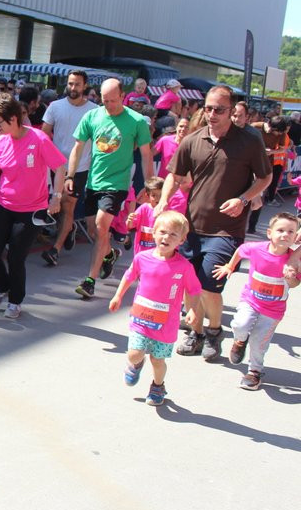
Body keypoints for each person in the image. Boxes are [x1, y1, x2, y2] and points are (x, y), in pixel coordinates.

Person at [157, 85, 273, 361]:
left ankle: (213, 331)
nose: (211, 114)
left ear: (232, 111)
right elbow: (175, 174)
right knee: (190, 285)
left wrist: (243, 200)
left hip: (227, 230)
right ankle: (195, 333)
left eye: (219, 109)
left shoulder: (248, 141)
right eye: (207, 108)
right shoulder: (193, 140)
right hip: (193, 226)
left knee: (209, 284)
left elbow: (264, 178)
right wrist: (163, 201)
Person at [0, 93, 67, 320]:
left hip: (31, 209)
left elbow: (60, 166)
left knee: (15, 257)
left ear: (12, 118)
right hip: (4, 205)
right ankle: (2, 287)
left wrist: (56, 196)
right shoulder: (0, 142)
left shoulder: (38, 139)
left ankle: (15, 301)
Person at [67, 78, 153, 299]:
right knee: (96, 231)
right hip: (93, 181)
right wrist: (70, 175)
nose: (109, 105)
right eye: (105, 101)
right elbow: (77, 147)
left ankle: (89, 281)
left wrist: (150, 186)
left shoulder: (136, 121)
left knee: (100, 224)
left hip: (117, 184)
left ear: (123, 97)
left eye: (113, 101)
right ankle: (109, 254)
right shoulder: (92, 116)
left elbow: (146, 155)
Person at [108, 211, 202, 406]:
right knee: (134, 353)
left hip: (166, 323)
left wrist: (192, 310)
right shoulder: (142, 258)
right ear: (153, 233)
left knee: (157, 360)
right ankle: (136, 363)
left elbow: (193, 290)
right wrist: (118, 296)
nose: (166, 237)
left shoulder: (184, 267)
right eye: (162, 232)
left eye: (173, 235)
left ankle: (158, 386)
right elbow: (129, 276)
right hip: (140, 318)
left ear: (182, 240)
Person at [211, 212, 300, 390]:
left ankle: (254, 372)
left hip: (273, 310)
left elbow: (295, 283)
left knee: (260, 341)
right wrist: (230, 265)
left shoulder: (294, 260)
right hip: (250, 300)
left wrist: (290, 277)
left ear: (296, 236)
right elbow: (240, 250)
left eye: (290, 232)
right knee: (240, 325)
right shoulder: (257, 248)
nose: (285, 234)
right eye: (280, 230)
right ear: (269, 233)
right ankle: (239, 341)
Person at [41, 70, 98, 266]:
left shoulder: (94, 111)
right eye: (71, 84)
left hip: (79, 168)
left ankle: (55, 250)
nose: (73, 88)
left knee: (66, 204)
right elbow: (44, 133)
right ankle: (70, 229)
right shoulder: (55, 107)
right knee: (52, 205)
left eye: (77, 84)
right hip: (54, 166)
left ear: (85, 86)